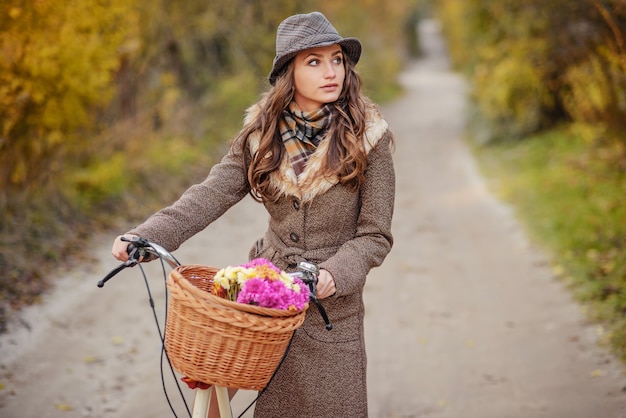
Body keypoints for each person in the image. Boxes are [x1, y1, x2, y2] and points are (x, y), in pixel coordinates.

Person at [112, 11, 395, 417]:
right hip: (266, 303)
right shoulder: (261, 136)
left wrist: (332, 274)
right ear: (289, 72)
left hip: (331, 307)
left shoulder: (370, 137)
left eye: (336, 59)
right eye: (313, 61)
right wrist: (148, 234)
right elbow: (210, 194)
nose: (330, 71)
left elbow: (375, 236)